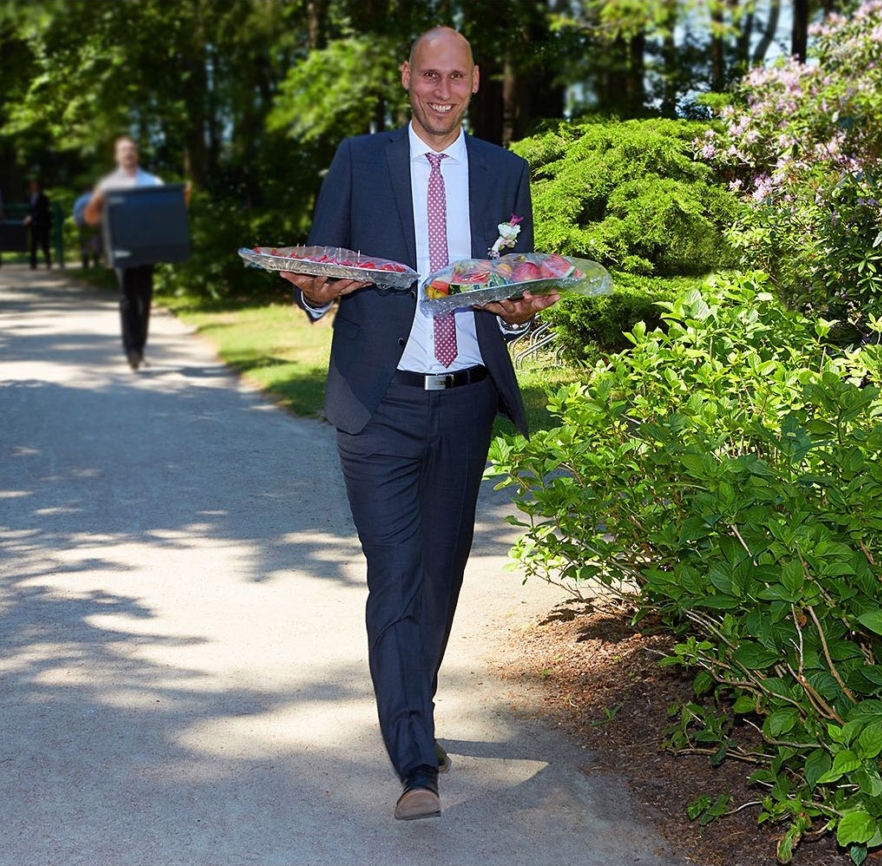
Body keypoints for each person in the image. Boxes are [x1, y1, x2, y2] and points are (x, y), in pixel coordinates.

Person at [278, 26, 559, 822]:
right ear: (406, 77)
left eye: (456, 78)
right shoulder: (358, 160)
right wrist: (314, 295)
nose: (441, 91)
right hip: (380, 400)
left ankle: (412, 705)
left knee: (442, 570)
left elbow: (517, 293)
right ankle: (414, 760)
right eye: (428, 75)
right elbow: (320, 269)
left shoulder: (505, 173)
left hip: (467, 397)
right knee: (395, 572)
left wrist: (520, 317)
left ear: (475, 83)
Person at [84, 135, 162, 372]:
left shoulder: (152, 181)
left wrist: (183, 198)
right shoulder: (108, 185)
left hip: (146, 247)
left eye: (131, 149)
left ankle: (139, 345)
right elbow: (91, 218)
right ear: (117, 156)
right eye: (123, 150)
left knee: (144, 298)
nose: (128, 153)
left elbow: (168, 212)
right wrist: (96, 202)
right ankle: (132, 350)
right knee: (128, 297)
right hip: (121, 248)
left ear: (136, 154)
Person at [25, 179, 53, 270]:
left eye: (35, 186)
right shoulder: (30, 197)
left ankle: (48, 262)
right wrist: (28, 217)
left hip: (43, 223)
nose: (34, 188)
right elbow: (30, 209)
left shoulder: (44, 198)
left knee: (45, 243)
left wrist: (31, 217)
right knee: (33, 244)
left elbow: (42, 210)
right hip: (34, 224)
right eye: (32, 186)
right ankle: (33, 263)